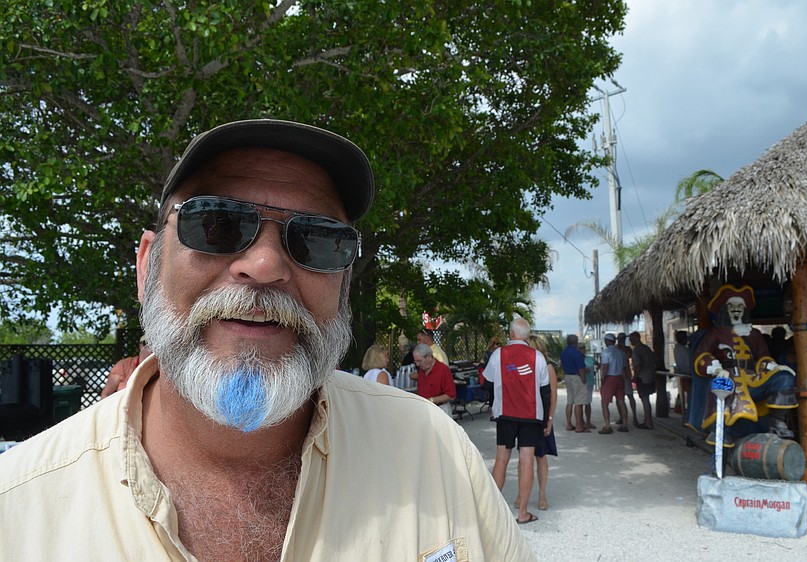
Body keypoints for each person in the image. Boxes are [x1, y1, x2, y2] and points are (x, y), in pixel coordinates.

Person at [0, 119, 533, 561]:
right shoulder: (19, 508)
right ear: (146, 268)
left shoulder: (435, 453)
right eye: (217, 225)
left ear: (344, 285)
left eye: (318, 240)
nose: (265, 265)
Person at [689, 284, 798, 447]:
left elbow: (763, 357)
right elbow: (701, 356)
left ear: (745, 310)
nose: (736, 309)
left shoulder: (754, 334)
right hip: (727, 378)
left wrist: (774, 368)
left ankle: (777, 422)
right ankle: (721, 431)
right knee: (724, 385)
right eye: (731, 306)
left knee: (785, 377)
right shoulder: (716, 333)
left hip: (753, 379)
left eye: (740, 306)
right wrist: (716, 368)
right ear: (725, 310)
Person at [483, 317, 551, 525]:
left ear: (511, 334)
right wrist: (546, 418)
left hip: (505, 415)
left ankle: (490, 513)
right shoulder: (537, 356)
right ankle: (522, 512)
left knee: (501, 459)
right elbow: (545, 391)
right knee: (526, 460)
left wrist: (496, 404)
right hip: (531, 417)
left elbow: (487, 384)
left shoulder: (498, 354)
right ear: (526, 335)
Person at [514, 334, 558, 511]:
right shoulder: (523, 367)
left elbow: (552, 396)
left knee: (540, 455)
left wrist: (549, 420)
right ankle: (521, 493)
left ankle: (542, 494)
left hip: (541, 417)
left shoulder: (548, 368)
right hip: (525, 416)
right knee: (523, 457)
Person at [410, 343, 456, 415]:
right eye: (416, 361)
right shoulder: (422, 370)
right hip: (424, 410)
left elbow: (451, 395)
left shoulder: (443, 369)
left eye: (419, 361)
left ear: (428, 357)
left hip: (440, 409)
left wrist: (432, 400)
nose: (417, 364)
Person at [599, 332, 629, 434]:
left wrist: (602, 380)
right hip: (620, 377)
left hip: (610, 378)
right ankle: (624, 424)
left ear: (607, 341)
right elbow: (625, 367)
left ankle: (607, 426)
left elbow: (605, 367)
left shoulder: (606, 352)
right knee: (621, 401)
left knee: (604, 403)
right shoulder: (621, 352)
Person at [560, 333, 589, 432]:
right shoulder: (577, 353)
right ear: (575, 342)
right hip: (576, 377)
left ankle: (568, 423)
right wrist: (584, 380)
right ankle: (579, 426)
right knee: (579, 402)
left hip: (567, 376)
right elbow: (581, 369)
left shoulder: (564, 352)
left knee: (570, 401)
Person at [629, 331, 657, 429]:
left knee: (645, 400)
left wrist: (634, 377)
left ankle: (648, 423)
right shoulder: (646, 348)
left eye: (631, 339)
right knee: (647, 400)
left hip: (642, 377)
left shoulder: (636, 350)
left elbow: (638, 365)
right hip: (650, 376)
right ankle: (647, 421)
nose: (630, 341)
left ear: (636, 339)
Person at [616, 332, 639, 428]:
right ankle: (622, 417)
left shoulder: (627, 349)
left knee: (629, 397)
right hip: (619, 375)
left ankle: (634, 417)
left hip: (625, 375)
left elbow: (629, 358)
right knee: (619, 398)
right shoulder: (616, 349)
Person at [578, 341, 598, 429]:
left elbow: (598, 364)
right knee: (580, 403)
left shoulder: (590, 358)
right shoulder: (577, 359)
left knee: (588, 403)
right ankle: (581, 421)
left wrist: (595, 372)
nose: (583, 350)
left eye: (583, 348)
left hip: (589, 382)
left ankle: (588, 421)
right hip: (580, 382)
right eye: (581, 348)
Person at [673, 330, 691, 415]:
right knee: (689, 394)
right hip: (687, 373)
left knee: (684, 394)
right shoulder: (683, 349)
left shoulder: (678, 348)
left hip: (683, 372)